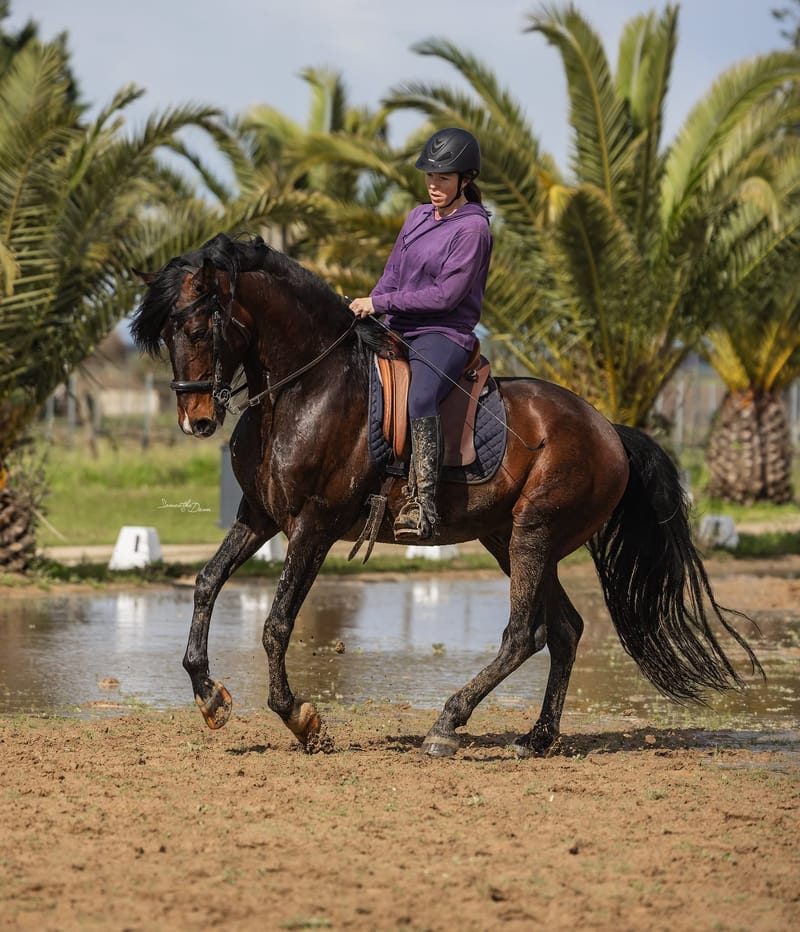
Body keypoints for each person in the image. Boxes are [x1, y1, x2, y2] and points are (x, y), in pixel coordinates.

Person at [350, 127, 493, 541]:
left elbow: (446, 296)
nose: (433, 185)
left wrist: (382, 302)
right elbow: (391, 276)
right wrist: (369, 308)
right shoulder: (417, 216)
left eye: (443, 178)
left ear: (465, 180)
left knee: (421, 396)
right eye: (430, 176)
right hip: (397, 325)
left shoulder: (473, 229)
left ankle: (422, 502)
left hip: (442, 333)